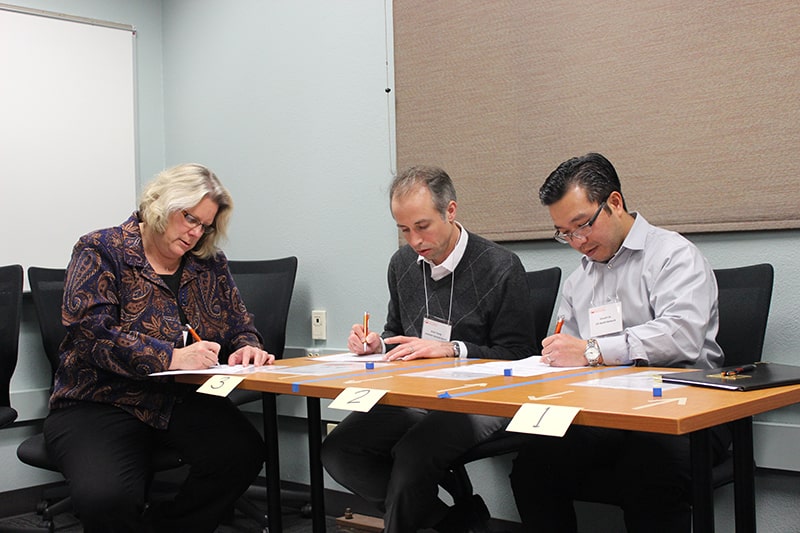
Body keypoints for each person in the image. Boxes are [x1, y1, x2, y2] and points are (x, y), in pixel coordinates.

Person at [43, 163, 273, 533]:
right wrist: (170, 356)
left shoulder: (208, 263)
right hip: (99, 401)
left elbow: (239, 324)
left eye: (205, 226)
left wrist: (248, 346)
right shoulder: (101, 249)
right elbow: (91, 333)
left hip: (178, 398)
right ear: (160, 204)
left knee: (242, 454)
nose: (196, 233)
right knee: (106, 498)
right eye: (189, 218)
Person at [509, 152, 728, 532]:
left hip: (684, 408)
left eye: (582, 225)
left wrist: (592, 351)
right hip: (609, 409)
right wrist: (558, 356)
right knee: (534, 460)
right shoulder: (581, 278)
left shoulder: (673, 255)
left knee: (648, 469)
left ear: (614, 202)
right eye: (564, 233)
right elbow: (570, 347)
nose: (577, 242)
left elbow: (682, 335)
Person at [321, 165, 538, 533]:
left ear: (450, 211)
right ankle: (452, 522)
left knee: (413, 454)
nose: (414, 240)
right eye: (404, 230)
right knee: (339, 450)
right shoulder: (402, 265)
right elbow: (396, 332)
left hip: (483, 397)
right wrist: (376, 344)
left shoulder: (501, 267)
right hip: (418, 394)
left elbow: (520, 355)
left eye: (422, 226)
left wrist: (453, 350)